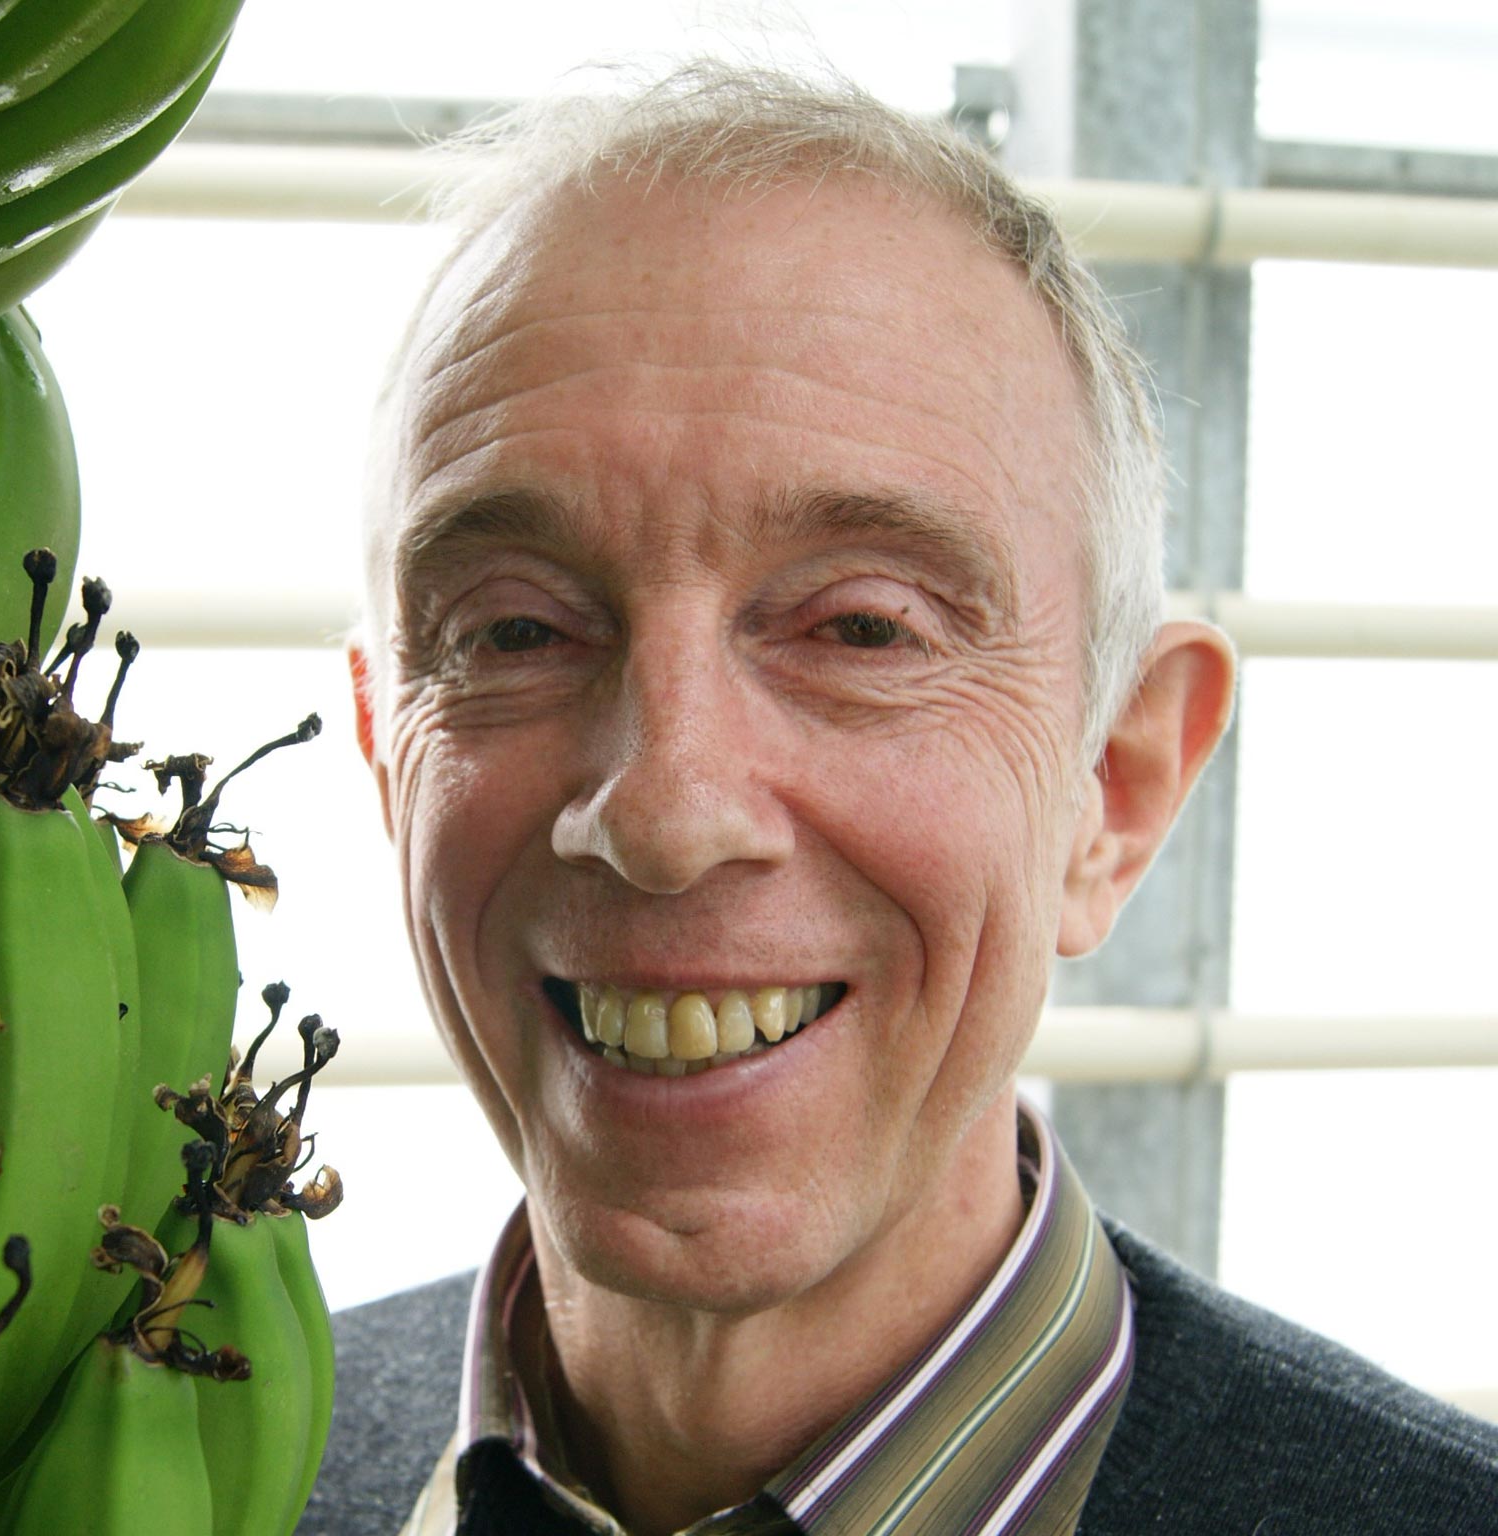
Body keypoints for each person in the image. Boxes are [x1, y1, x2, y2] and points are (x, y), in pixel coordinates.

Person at [305, 60, 1498, 1536]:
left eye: (863, 628)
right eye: (514, 631)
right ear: (386, 751)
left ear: (1114, 788)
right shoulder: (165, 1480)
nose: (665, 816)